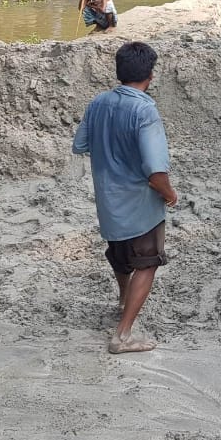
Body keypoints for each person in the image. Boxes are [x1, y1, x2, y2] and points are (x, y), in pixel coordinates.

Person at [71, 41, 177, 354]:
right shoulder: (144, 109)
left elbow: (80, 145)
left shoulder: (99, 103)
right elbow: (155, 171)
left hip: (109, 201)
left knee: (119, 255)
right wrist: (170, 195)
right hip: (139, 205)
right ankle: (123, 335)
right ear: (151, 76)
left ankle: (122, 299)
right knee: (146, 263)